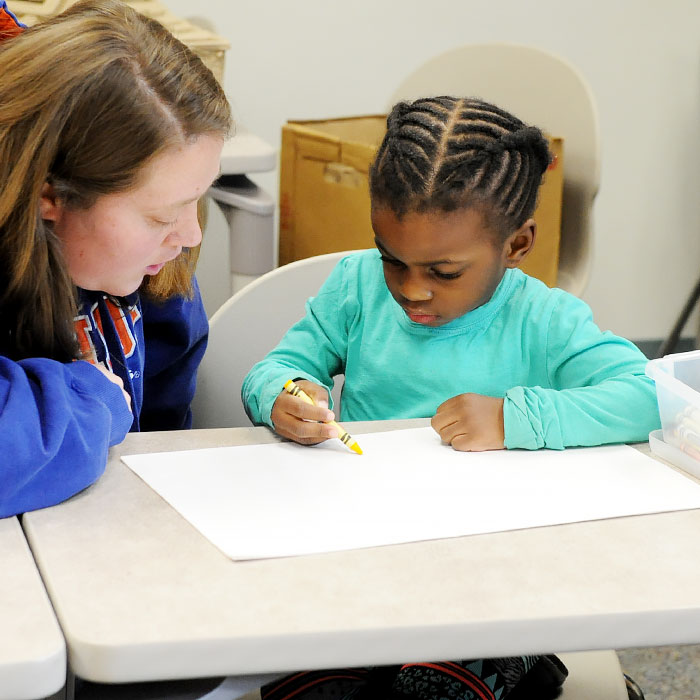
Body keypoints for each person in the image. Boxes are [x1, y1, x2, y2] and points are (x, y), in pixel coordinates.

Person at [242, 96, 659, 698]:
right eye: (394, 260)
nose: (412, 291)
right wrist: (285, 393)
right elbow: (280, 366)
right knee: (315, 683)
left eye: (444, 272)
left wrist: (516, 417)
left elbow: (647, 397)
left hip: (492, 575)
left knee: (434, 688)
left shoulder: (543, 318)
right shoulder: (358, 287)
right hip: (359, 552)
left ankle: (524, 662)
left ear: (517, 245)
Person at [0, 0, 231, 519]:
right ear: (48, 195)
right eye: (158, 216)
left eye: (197, 197)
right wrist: (91, 398)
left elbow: (161, 442)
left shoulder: (156, 276)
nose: (190, 234)